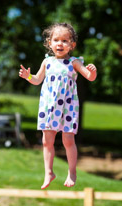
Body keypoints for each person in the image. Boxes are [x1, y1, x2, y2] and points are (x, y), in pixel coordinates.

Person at [19, 22, 97, 189]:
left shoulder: (74, 62)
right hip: (49, 107)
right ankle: (49, 172)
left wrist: (93, 71)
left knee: (68, 140)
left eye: (65, 40)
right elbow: (38, 80)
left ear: (72, 45)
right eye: (56, 40)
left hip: (68, 106)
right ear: (49, 43)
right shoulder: (47, 62)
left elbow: (89, 77)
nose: (60, 44)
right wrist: (28, 76)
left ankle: (72, 172)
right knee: (47, 141)